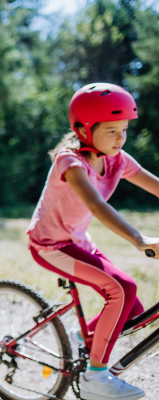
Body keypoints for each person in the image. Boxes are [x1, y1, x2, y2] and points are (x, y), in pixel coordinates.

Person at [27, 83, 159, 400]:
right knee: (122, 289)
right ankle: (95, 380)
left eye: (124, 130)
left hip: (78, 240)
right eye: (111, 130)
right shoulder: (70, 162)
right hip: (51, 245)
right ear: (85, 129)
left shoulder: (116, 159)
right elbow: (97, 205)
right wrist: (139, 240)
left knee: (131, 308)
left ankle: (79, 337)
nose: (120, 138)